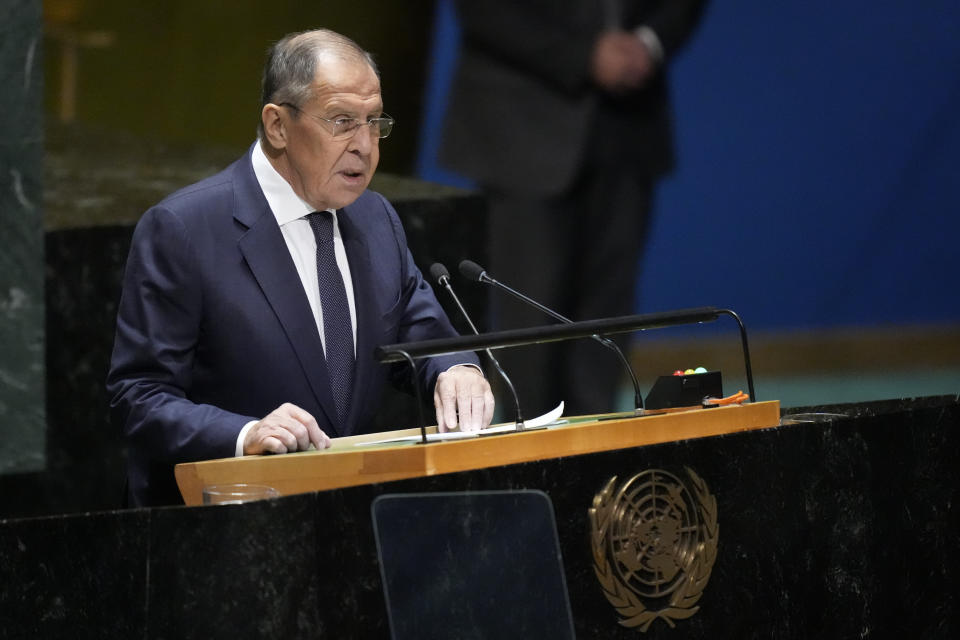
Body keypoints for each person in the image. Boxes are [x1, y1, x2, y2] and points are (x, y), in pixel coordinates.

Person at [107, 29, 495, 507]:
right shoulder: (185, 229)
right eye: (342, 121)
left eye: (374, 122)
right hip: (219, 527)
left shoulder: (376, 219)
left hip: (346, 521)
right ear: (278, 126)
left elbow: (424, 337)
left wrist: (455, 369)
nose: (365, 146)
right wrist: (245, 434)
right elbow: (139, 397)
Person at [438, 0, 706, 417]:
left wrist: (647, 43)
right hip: (522, 122)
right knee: (528, 324)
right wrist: (584, 54)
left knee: (608, 323)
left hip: (627, 127)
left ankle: (598, 470)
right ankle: (526, 462)